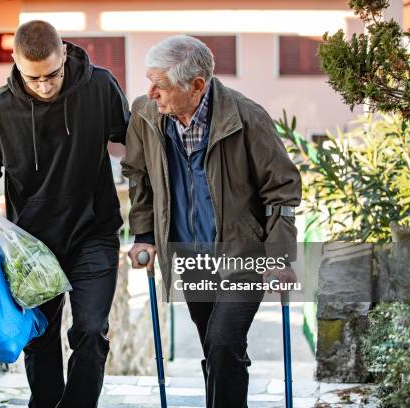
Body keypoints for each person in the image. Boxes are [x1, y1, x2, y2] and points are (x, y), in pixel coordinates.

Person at [121, 35, 301, 407]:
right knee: (216, 348)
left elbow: (281, 191)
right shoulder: (145, 115)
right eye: (149, 81)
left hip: (241, 256)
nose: (151, 92)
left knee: (223, 342)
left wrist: (280, 256)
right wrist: (143, 234)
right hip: (191, 258)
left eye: (161, 84)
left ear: (197, 86)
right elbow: (139, 176)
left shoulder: (247, 118)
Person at [0, 20, 129, 408]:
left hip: (94, 231)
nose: (44, 86)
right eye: (33, 78)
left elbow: (133, 141)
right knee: (40, 341)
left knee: (91, 332)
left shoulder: (99, 87)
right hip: (31, 244)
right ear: (17, 66)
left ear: (65, 55)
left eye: (52, 75)